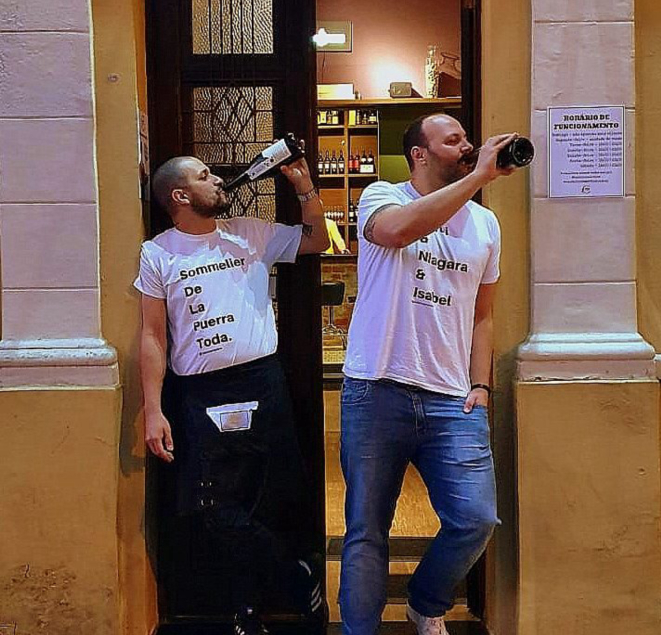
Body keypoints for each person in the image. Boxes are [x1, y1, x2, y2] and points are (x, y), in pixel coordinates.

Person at [339, 114, 521, 635]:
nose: (467, 146)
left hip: (452, 398)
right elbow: (397, 231)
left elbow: (483, 314)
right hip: (376, 389)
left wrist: (481, 384)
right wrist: (479, 177)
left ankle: (425, 601)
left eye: (467, 139)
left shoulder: (485, 224)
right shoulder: (381, 196)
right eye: (453, 140)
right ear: (419, 154)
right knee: (366, 530)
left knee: (475, 519)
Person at [134, 154, 329, 635]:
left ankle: (252, 607)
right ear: (180, 196)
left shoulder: (249, 233)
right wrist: (153, 409)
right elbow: (153, 336)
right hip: (201, 392)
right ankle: (289, 577)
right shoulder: (158, 253)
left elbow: (317, 240)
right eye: (204, 176)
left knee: (271, 496)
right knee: (213, 508)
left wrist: (305, 188)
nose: (217, 179)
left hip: (263, 381)